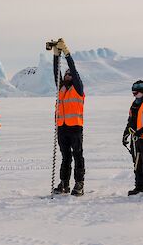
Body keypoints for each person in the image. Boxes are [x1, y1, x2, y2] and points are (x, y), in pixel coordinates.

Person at [52, 39, 85, 196]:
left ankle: (79, 184)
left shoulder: (78, 89)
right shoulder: (61, 88)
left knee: (77, 155)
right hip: (62, 128)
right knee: (65, 157)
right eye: (66, 74)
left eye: (70, 74)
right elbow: (55, 73)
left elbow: (73, 69)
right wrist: (55, 55)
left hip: (75, 127)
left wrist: (66, 53)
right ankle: (64, 183)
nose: (67, 75)